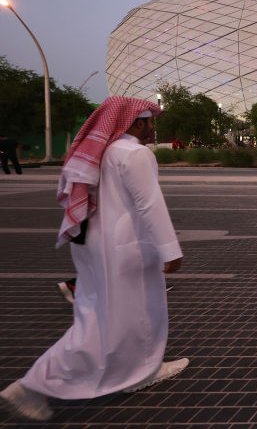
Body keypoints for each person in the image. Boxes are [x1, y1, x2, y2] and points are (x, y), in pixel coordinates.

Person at [0, 97, 187, 422]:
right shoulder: (133, 153)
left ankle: (144, 370)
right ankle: (33, 385)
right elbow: (149, 205)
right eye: (148, 121)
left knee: (128, 313)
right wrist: (171, 250)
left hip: (93, 243)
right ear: (135, 122)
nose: (152, 128)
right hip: (124, 247)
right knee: (109, 323)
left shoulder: (103, 150)